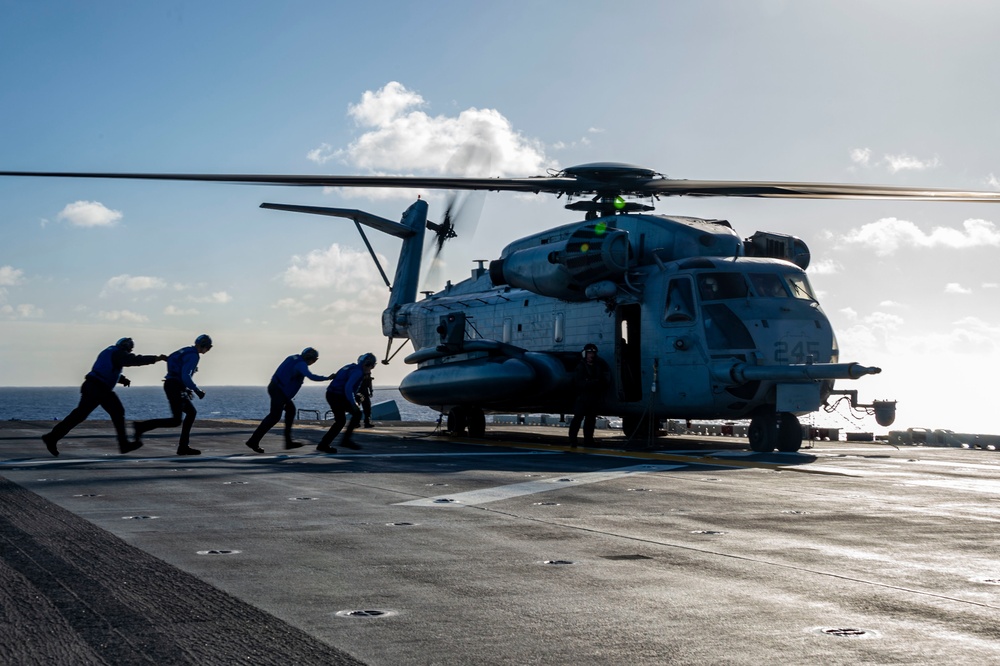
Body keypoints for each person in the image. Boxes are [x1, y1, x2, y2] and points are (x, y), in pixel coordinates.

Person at [41, 338, 167, 457]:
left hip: (91, 386)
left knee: (79, 415)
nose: (129, 351)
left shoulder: (109, 351)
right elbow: (134, 360)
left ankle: (52, 437)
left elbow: (106, 369)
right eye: (129, 349)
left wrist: (122, 379)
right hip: (99, 388)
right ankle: (124, 444)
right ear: (126, 347)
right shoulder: (118, 354)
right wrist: (156, 358)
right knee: (118, 412)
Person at [133, 334, 213, 456]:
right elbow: (185, 375)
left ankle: (183, 446)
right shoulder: (193, 355)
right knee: (176, 420)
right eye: (209, 347)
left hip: (173, 385)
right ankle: (141, 427)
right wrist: (197, 390)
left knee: (190, 413)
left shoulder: (185, 350)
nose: (208, 350)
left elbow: (171, 360)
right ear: (204, 346)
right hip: (175, 386)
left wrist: (184, 387)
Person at [245, 347, 330, 453]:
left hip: (276, 388)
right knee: (274, 416)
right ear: (311, 358)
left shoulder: (292, 358)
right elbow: (311, 376)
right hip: (279, 392)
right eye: (314, 360)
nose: (313, 362)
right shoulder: (301, 364)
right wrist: (327, 378)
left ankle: (287, 441)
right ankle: (254, 441)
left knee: (290, 410)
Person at [317, 353, 377, 453]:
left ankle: (325, 444)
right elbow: (348, 387)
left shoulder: (349, 367)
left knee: (342, 420)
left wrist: (355, 397)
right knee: (352, 415)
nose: (371, 369)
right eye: (372, 366)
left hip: (332, 394)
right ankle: (343, 441)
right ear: (368, 364)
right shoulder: (358, 372)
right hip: (337, 396)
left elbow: (345, 383)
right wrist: (353, 403)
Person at [568, 343, 611, 448]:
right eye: (589, 353)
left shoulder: (598, 366)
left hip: (593, 397)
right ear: (585, 354)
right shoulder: (581, 367)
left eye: (593, 353)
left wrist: (593, 383)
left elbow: (603, 381)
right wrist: (593, 383)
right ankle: (573, 440)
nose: (591, 355)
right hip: (583, 397)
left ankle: (588, 440)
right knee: (577, 419)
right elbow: (579, 383)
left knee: (590, 421)